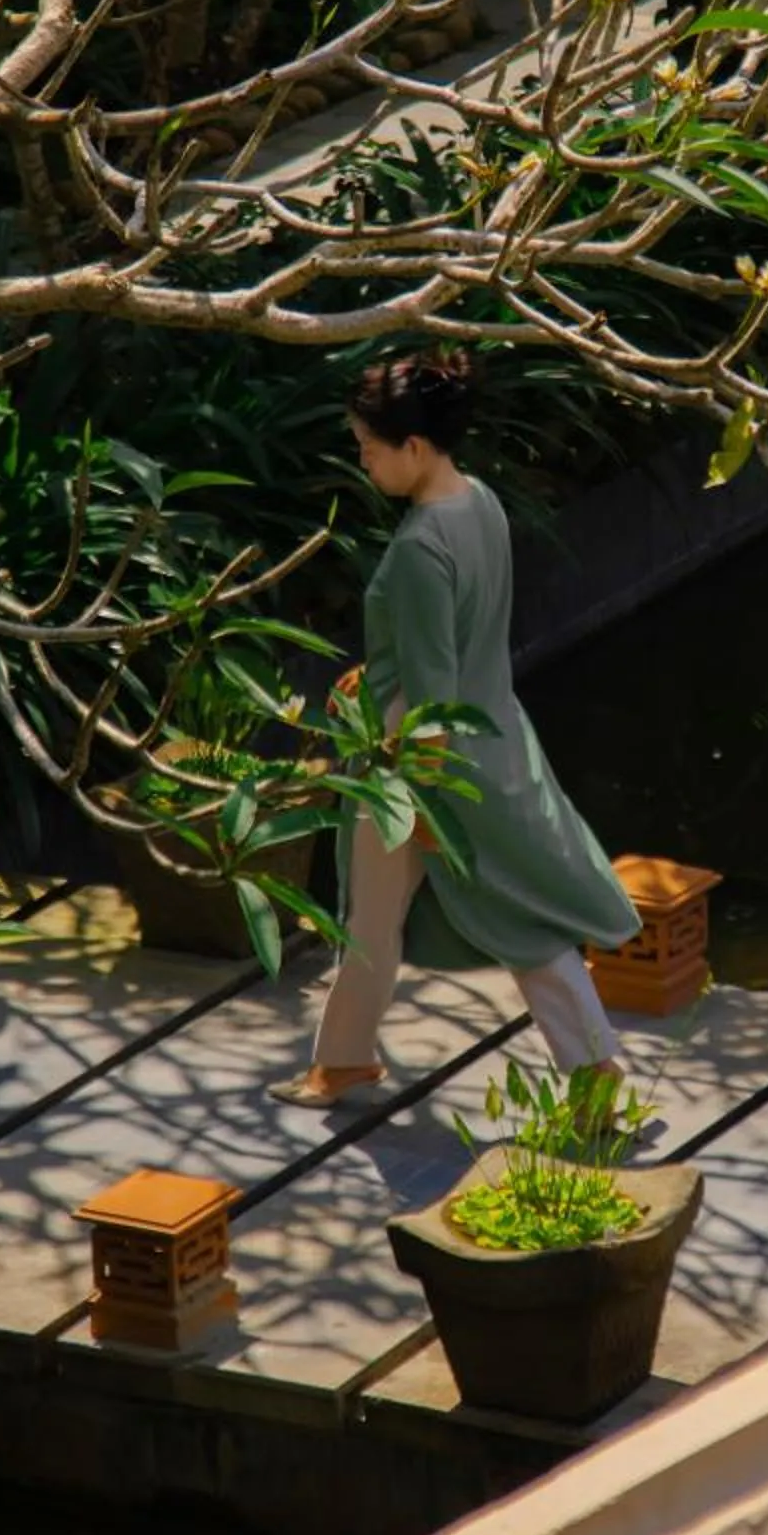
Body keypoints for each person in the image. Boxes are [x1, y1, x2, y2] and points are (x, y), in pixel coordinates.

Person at [274, 349, 640, 1105]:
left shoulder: (417, 550)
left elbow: (433, 696)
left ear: (411, 447)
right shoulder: (480, 503)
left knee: (503, 920)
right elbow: (454, 647)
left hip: (415, 764)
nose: (363, 463)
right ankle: (341, 1058)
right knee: (381, 915)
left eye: (369, 449)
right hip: (491, 735)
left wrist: (427, 801)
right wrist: (375, 681)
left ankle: (598, 1073)